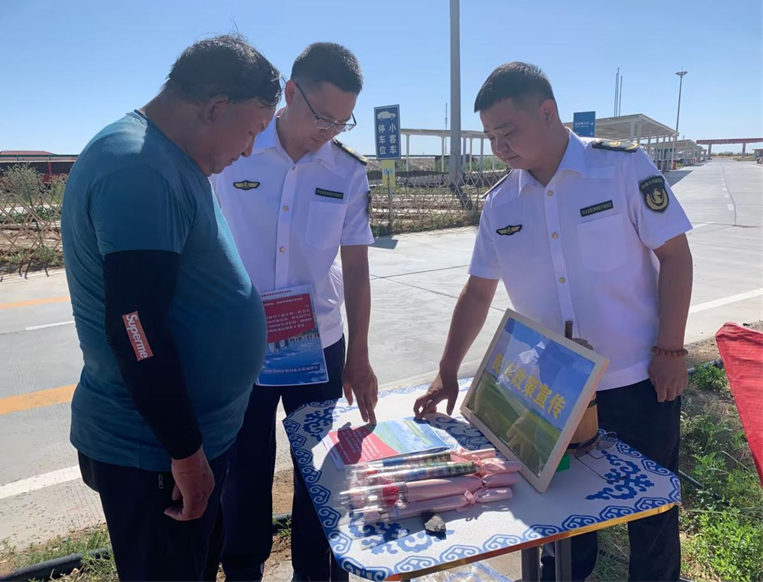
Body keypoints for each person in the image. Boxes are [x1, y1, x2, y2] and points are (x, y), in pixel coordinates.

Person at [413, 62, 693, 582]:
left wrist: (671, 350)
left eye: (507, 131)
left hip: (638, 380)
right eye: (490, 136)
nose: (498, 146)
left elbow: (675, 256)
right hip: (552, 395)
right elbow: (478, 291)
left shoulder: (621, 169)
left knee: (652, 520)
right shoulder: (501, 204)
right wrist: (447, 370)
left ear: (547, 112)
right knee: (560, 523)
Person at [61, 35, 281, 582]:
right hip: (156, 454)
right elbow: (134, 326)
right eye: (252, 130)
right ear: (215, 107)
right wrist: (184, 453)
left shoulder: (172, 160)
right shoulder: (139, 168)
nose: (249, 149)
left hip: (183, 445)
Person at [206, 42, 378, 582]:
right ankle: (243, 570)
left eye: (342, 121)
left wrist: (359, 356)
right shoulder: (234, 152)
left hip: (320, 344)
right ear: (289, 93)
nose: (329, 130)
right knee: (244, 468)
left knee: (320, 471)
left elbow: (356, 268)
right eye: (321, 115)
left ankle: (316, 571)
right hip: (242, 343)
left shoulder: (347, 171)